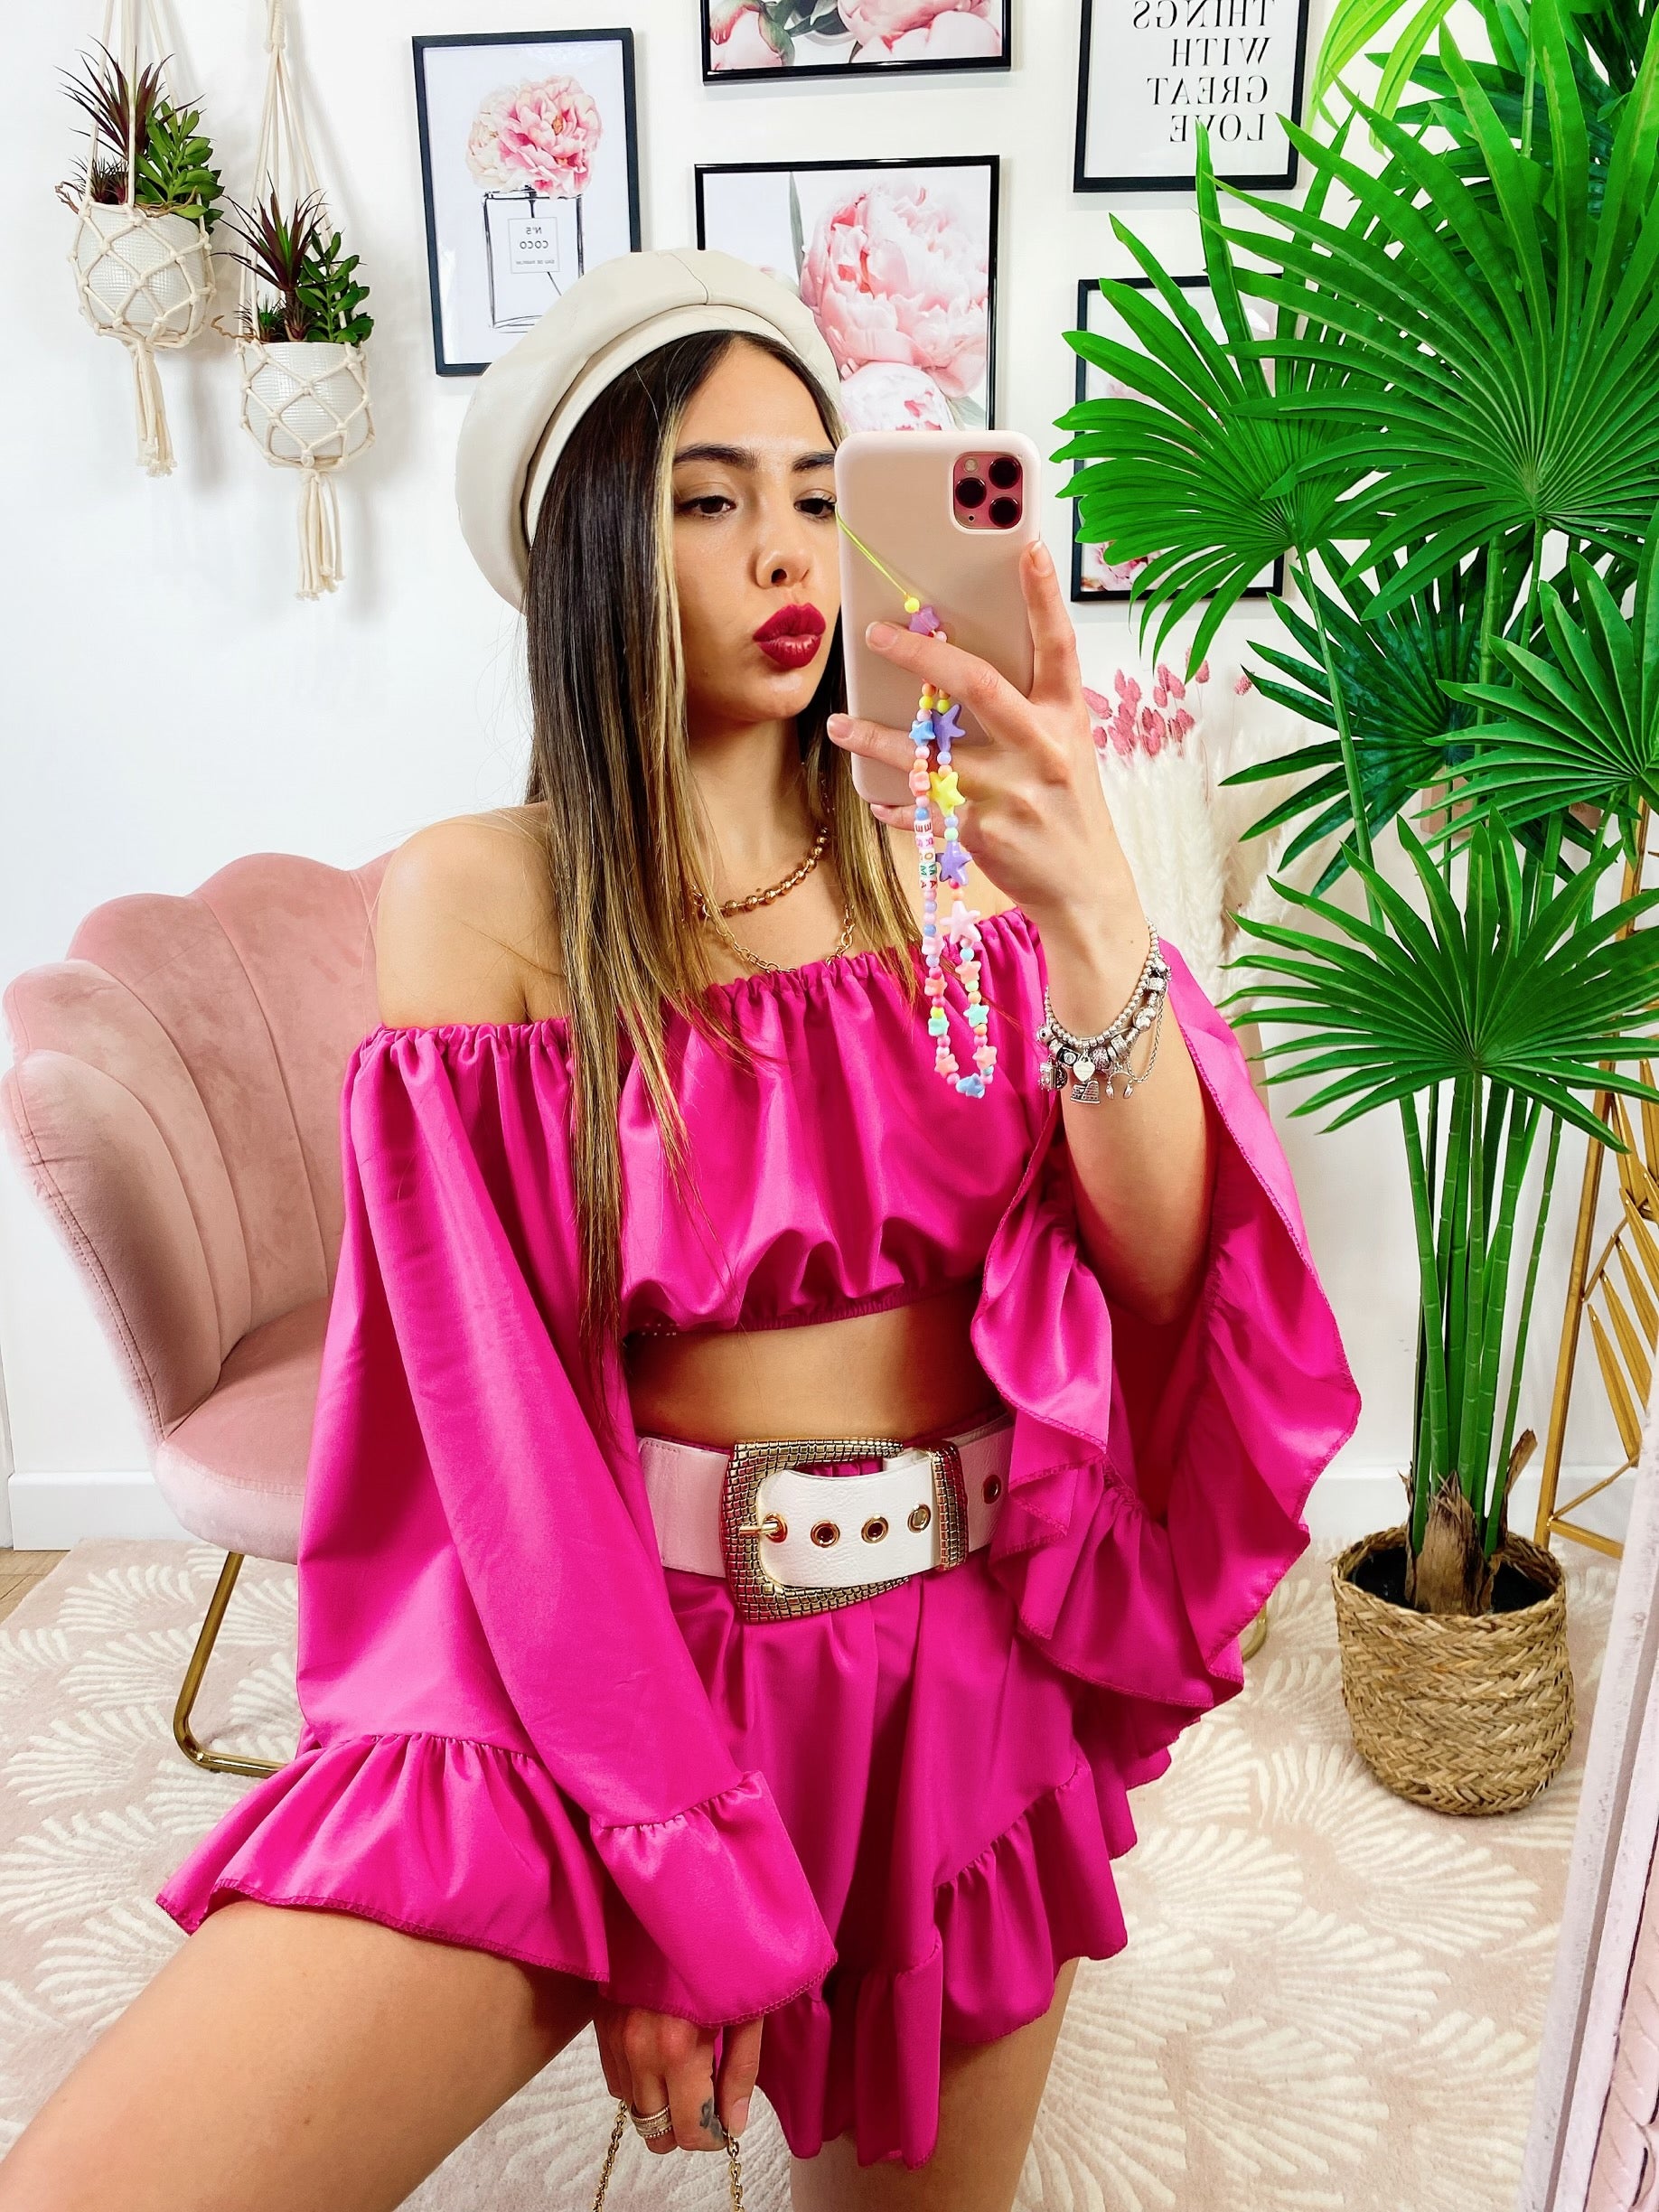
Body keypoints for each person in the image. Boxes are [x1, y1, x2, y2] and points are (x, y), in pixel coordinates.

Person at [0, 248, 1360, 2212]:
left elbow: (1160, 1277)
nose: (786, 548)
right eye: (709, 500)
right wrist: (660, 1856)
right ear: (592, 555)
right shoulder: (486, 898)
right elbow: (498, 1422)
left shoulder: (956, 866)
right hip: (607, 1683)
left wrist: (1092, 918)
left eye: (817, 491)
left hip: (959, 1682)